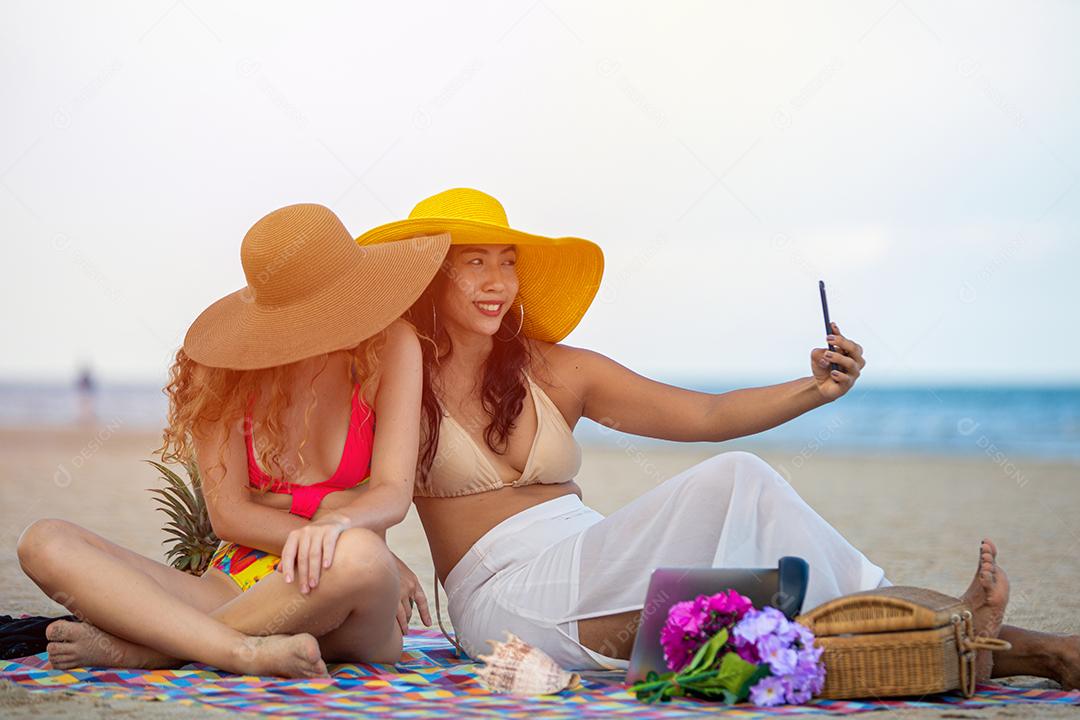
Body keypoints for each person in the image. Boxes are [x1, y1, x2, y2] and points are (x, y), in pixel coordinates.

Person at [355, 188, 1079, 687]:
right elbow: (345, 480)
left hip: (588, 557)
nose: (497, 280)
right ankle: (958, 625)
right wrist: (383, 553)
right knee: (743, 510)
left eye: (507, 261)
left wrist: (816, 390)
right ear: (433, 275)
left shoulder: (558, 369)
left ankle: (1023, 647)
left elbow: (704, 415)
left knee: (767, 601)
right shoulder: (394, 375)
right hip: (501, 598)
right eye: (475, 262)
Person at [17, 204, 450, 677]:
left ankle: (162, 651)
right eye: (329, 305)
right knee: (43, 541)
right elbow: (229, 515)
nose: (348, 314)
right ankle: (238, 649)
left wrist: (333, 526)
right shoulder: (222, 371)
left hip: (346, 599)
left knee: (362, 557)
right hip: (235, 587)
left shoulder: (394, 346)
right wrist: (329, 519)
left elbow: (392, 493)